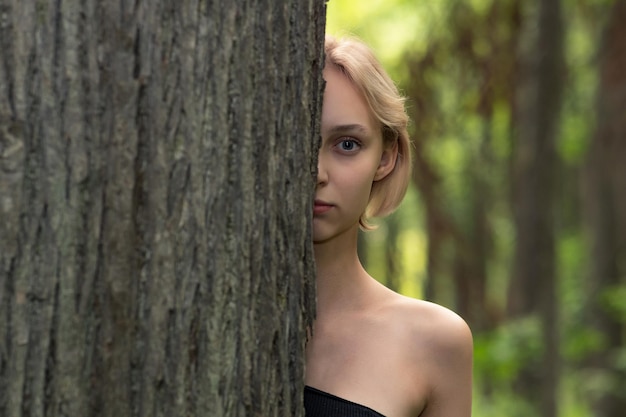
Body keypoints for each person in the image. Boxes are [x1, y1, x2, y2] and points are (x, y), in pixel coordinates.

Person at [304, 35, 473, 417]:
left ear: (386, 156)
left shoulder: (435, 341)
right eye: (298, 140)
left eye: (346, 144)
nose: (316, 173)